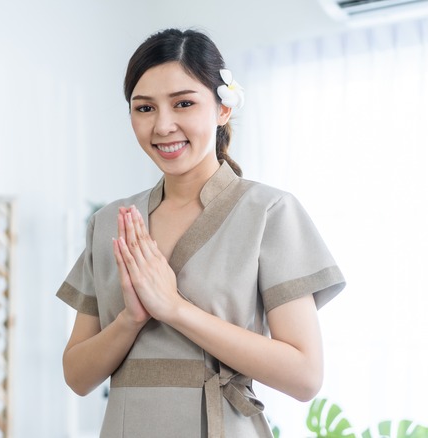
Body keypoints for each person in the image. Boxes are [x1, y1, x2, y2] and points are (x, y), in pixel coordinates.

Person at [56, 28, 345, 437]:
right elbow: (77, 376)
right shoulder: (110, 223)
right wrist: (130, 319)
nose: (163, 126)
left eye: (184, 103)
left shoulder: (269, 213)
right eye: (144, 108)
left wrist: (175, 309)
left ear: (223, 108)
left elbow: (305, 376)